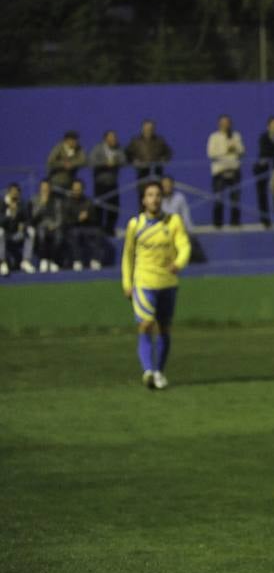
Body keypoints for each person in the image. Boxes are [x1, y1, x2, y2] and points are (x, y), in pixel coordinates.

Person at [122, 179, 191, 389]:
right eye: (150, 195)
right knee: (146, 323)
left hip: (168, 283)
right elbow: (128, 256)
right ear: (143, 200)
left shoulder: (173, 221)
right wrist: (127, 282)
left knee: (164, 328)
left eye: (158, 195)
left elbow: (184, 245)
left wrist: (178, 263)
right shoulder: (135, 225)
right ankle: (148, 370)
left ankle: (159, 372)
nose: (154, 199)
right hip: (144, 282)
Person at [207, 114, 245, 227]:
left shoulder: (236, 135)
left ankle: (235, 222)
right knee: (218, 197)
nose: (225, 125)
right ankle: (218, 223)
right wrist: (225, 150)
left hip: (234, 170)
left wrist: (235, 147)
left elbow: (242, 151)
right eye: (223, 123)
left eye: (227, 123)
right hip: (220, 171)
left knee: (235, 198)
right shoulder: (214, 137)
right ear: (219, 124)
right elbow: (211, 153)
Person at [88, 130, 126, 235]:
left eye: (115, 138)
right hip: (100, 184)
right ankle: (98, 230)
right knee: (99, 208)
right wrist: (105, 163)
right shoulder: (98, 149)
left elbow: (124, 160)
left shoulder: (118, 149)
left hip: (112, 183)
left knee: (113, 208)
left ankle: (110, 230)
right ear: (106, 139)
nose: (114, 140)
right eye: (111, 137)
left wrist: (115, 162)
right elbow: (91, 161)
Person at [62, 179, 105, 270]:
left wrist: (88, 216)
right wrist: (77, 218)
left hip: (87, 227)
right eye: (75, 189)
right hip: (73, 227)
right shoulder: (67, 202)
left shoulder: (88, 201)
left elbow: (95, 218)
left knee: (98, 232)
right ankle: (77, 260)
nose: (77, 191)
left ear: (82, 189)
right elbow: (65, 220)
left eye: (79, 189)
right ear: (72, 190)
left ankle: (95, 260)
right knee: (74, 234)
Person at [254, 116, 274, 228]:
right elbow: (265, 152)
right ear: (268, 126)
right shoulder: (263, 137)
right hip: (263, 169)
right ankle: (265, 219)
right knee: (262, 193)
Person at [29, 179, 64, 272]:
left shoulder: (56, 201)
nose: (45, 189)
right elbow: (33, 217)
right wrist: (42, 204)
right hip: (40, 226)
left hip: (54, 226)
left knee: (59, 236)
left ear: (50, 188)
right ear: (40, 188)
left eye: (47, 187)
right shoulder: (34, 200)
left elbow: (60, 217)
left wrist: (54, 225)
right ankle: (44, 259)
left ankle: (53, 260)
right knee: (41, 234)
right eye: (43, 188)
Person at [1, 183, 36, 276]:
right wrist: (9, 213)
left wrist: (24, 225)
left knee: (31, 231)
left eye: (16, 192)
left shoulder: (23, 204)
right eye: (13, 192)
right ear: (8, 192)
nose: (15, 194)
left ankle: (26, 261)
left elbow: (29, 220)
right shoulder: (2, 204)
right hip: (6, 235)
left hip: (18, 234)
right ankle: (2, 262)